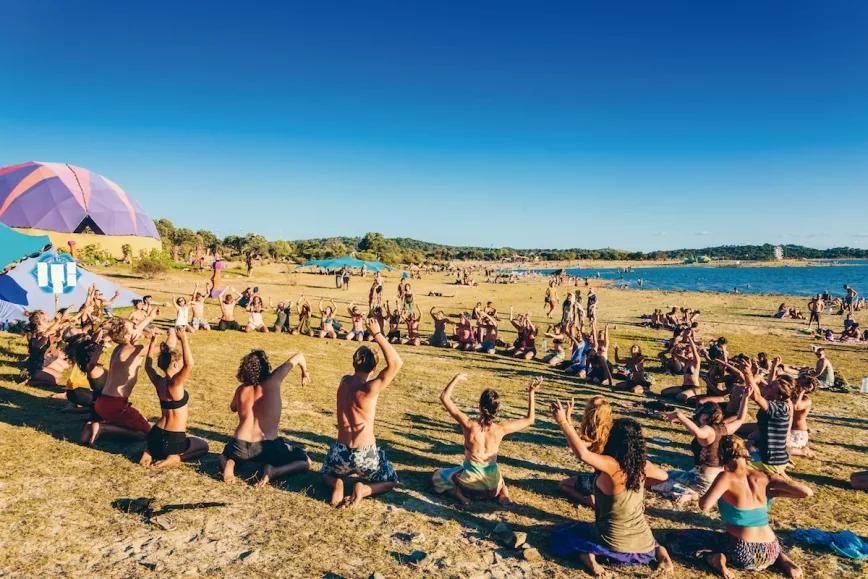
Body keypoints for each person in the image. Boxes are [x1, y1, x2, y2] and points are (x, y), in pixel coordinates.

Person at [550, 409, 673, 576]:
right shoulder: (643, 466)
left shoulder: (612, 465)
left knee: (565, 533)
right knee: (655, 544)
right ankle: (663, 556)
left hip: (612, 540)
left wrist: (563, 423)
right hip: (644, 545)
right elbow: (664, 476)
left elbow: (583, 454)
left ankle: (589, 557)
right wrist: (643, 482)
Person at [696, 435, 810, 578]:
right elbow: (806, 492)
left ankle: (716, 559)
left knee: (693, 540)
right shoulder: (763, 476)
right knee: (767, 544)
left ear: (722, 455)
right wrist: (774, 493)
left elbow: (704, 506)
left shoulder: (726, 477)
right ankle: (783, 560)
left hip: (743, 551)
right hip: (771, 550)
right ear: (745, 452)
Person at [321, 318, 402, 508]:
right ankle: (364, 490)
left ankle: (337, 483)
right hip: (365, 453)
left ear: (354, 364)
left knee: (326, 473)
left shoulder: (344, 381)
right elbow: (396, 363)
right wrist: (377, 334)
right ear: (374, 368)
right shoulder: (369, 389)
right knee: (391, 480)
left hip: (341, 450)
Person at [432, 374, 542, 505]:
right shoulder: (501, 429)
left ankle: (460, 496)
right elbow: (530, 419)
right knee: (498, 476)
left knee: (439, 475)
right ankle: (503, 494)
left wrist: (456, 378)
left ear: (479, 407)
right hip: (493, 488)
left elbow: (444, 398)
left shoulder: (469, 425)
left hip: (470, 488)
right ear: (497, 409)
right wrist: (532, 393)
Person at [219, 349, 311, 484]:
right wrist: (304, 372)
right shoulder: (274, 380)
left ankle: (229, 465)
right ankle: (273, 471)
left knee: (224, 455)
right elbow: (299, 356)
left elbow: (233, 408)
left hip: (239, 446)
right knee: (305, 462)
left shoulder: (241, 389)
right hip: (268, 447)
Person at [654, 392, 749, 504]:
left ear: (706, 416)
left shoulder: (708, 430)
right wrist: (745, 398)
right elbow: (740, 419)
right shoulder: (725, 428)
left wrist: (679, 416)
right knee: (667, 474)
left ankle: (691, 495)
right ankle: (694, 492)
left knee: (658, 484)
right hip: (710, 476)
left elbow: (697, 432)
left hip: (703, 479)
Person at [82, 311, 159, 446]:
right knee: (147, 432)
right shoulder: (136, 349)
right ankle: (103, 428)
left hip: (101, 402)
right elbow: (166, 347)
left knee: (137, 421)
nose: (137, 327)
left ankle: (94, 425)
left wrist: (150, 317)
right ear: (128, 335)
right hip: (116, 405)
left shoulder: (119, 348)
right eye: (134, 326)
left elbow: (131, 334)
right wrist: (173, 335)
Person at [140, 329, 209, 467]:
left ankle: (149, 451)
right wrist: (183, 339)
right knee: (203, 445)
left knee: (158, 446)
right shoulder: (175, 384)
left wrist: (152, 342)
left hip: (154, 436)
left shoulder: (158, 381)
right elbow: (190, 364)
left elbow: (148, 366)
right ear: (176, 365)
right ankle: (174, 458)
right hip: (173, 440)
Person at [558, 396, 613, 507]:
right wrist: (568, 418)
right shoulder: (611, 431)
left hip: (598, 483)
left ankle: (588, 500)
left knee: (564, 485)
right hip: (616, 483)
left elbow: (577, 444)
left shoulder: (593, 437)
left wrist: (564, 421)